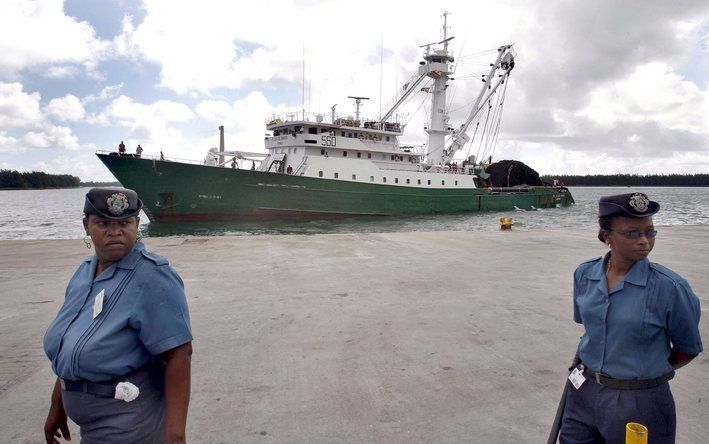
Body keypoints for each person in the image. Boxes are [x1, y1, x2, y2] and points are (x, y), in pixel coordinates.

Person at [43, 187, 193, 444]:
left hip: (126, 422)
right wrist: (58, 404)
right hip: (91, 418)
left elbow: (179, 354)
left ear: (137, 224)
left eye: (125, 223)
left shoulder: (152, 276)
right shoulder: (85, 272)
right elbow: (71, 344)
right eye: (103, 223)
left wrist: (175, 436)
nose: (115, 232)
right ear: (86, 225)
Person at [558, 192, 702, 444]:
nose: (644, 241)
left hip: (640, 401)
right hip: (584, 391)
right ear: (606, 236)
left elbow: (687, 349)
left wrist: (644, 370)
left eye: (650, 232)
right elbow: (590, 329)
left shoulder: (671, 288)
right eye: (632, 233)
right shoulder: (584, 274)